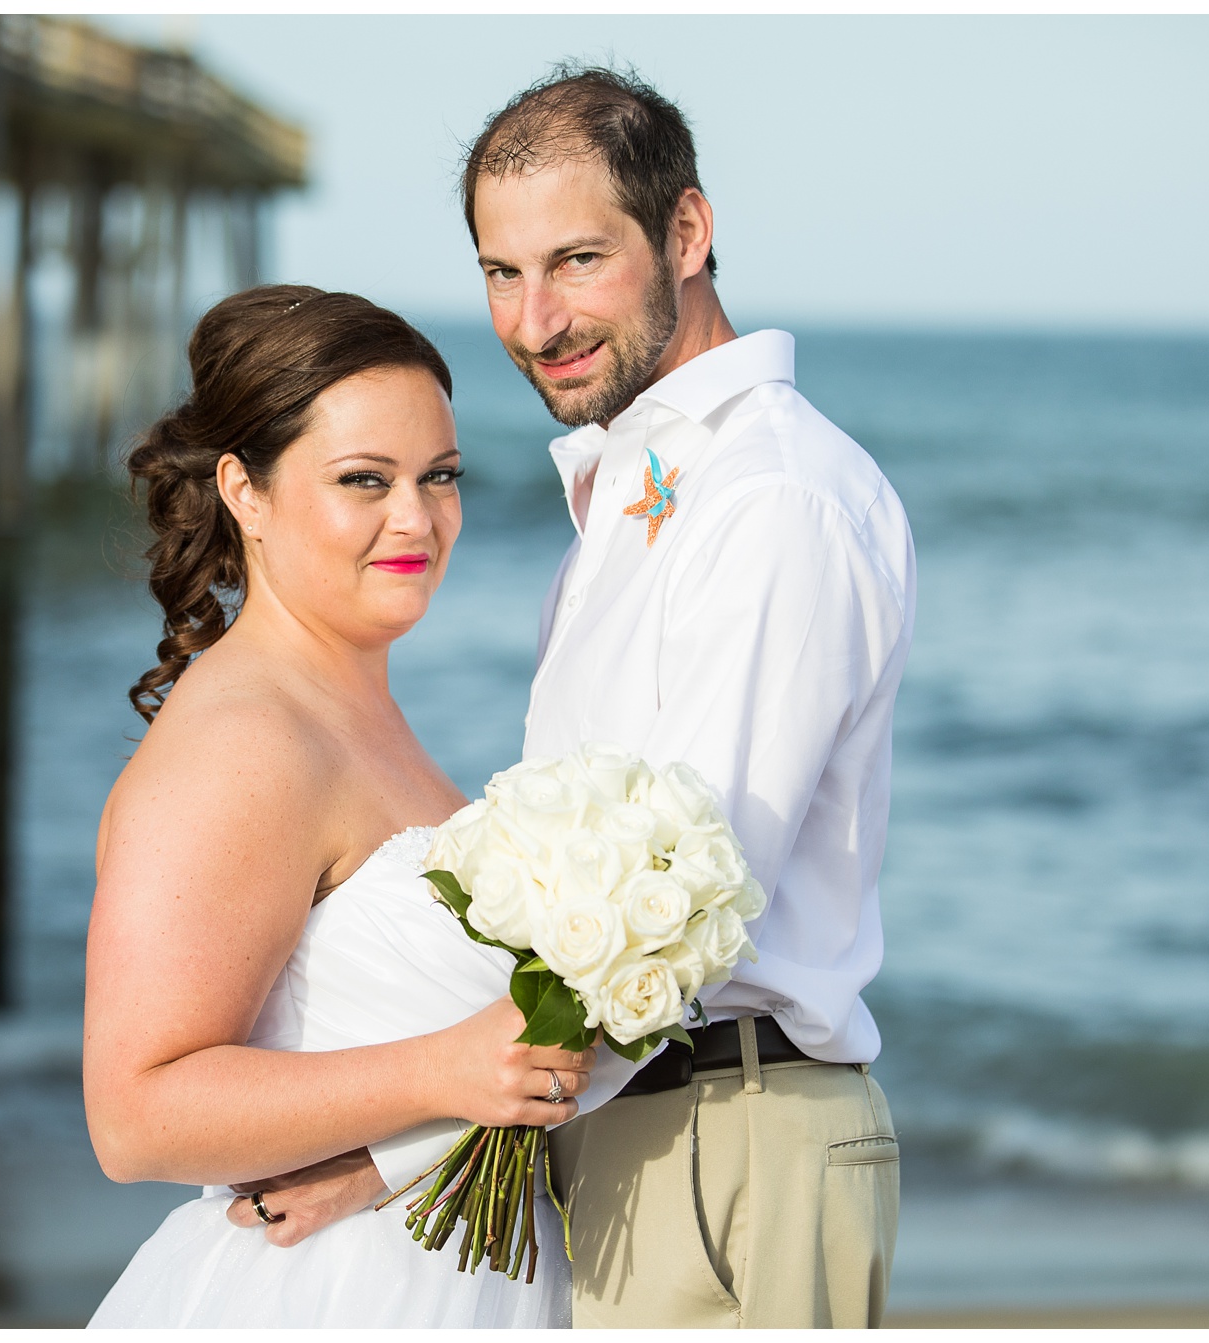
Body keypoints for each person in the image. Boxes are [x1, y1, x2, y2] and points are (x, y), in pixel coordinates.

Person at [261, 65, 915, 1328]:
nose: (533, 318)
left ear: (685, 231)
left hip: (732, 1142)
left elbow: (675, 914)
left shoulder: (767, 500)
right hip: (637, 1136)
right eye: (501, 273)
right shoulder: (640, 490)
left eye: (573, 261)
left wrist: (396, 1149)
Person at [82, 285, 592, 1329]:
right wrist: (443, 1069)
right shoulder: (244, 739)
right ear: (245, 491)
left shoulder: (355, 711)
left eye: (439, 477)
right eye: (364, 480)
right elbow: (133, 1114)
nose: (416, 518)